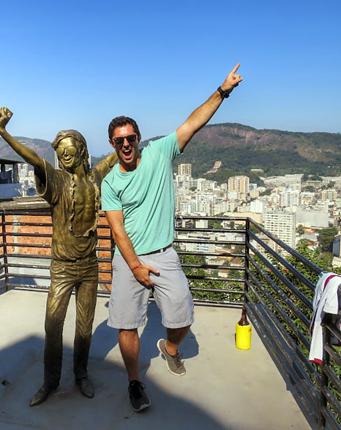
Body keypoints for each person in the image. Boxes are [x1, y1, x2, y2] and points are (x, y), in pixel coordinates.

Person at [101, 64, 243, 412]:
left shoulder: (160, 152)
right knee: (127, 324)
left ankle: (171, 348)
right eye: (119, 140)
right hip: (128, 257)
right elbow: (117, 230)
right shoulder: (110, 183)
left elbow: (194, 121)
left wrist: (223, 90)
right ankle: (134, 381)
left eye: (130, 138)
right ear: (112, 144)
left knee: (182, 315)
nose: (125, 144)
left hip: (164, 254)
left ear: (138, 138)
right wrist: (134, 266)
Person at [0, 107, 118, 406]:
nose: (64, 154)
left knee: (85, 326)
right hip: (62, 268)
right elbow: (34, 159)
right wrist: (3, 132)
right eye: (60, 150)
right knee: (53, 325)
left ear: (81, 151)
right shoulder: (57, 181)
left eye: (70, 149)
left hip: (90, 266)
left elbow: (112, 158)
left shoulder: (93, 178)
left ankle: (81, 374)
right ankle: (50, 381)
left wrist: (127, 142)